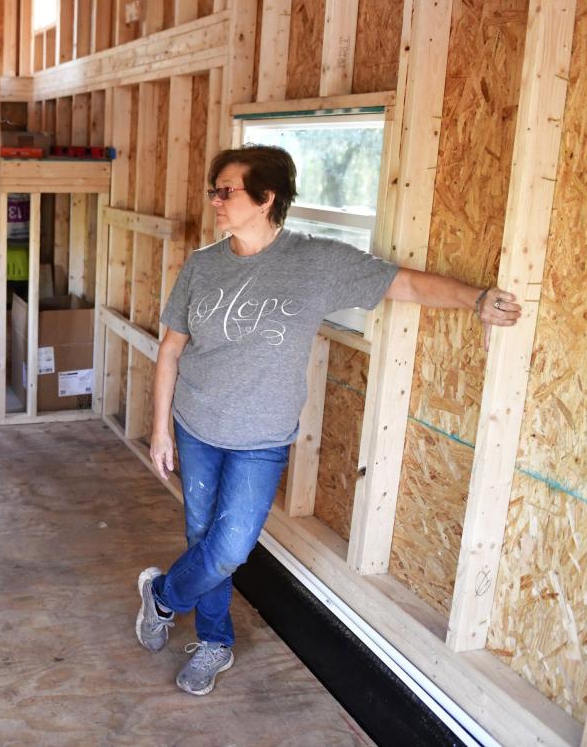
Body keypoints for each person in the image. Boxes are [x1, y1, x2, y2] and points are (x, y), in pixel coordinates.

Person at [134, 145, 521, 695]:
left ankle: (164, 597)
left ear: (266, 198)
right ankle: (215, 642)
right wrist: (160, 429)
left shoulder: (314, 263)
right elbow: (171, 350)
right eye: (214, 190)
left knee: (229, 549)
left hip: (261, 438)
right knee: (201, 536)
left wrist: (475, 299)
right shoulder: (202, 265)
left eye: (228, 190)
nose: (216, 201)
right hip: (197, 425)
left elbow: (403, 283)